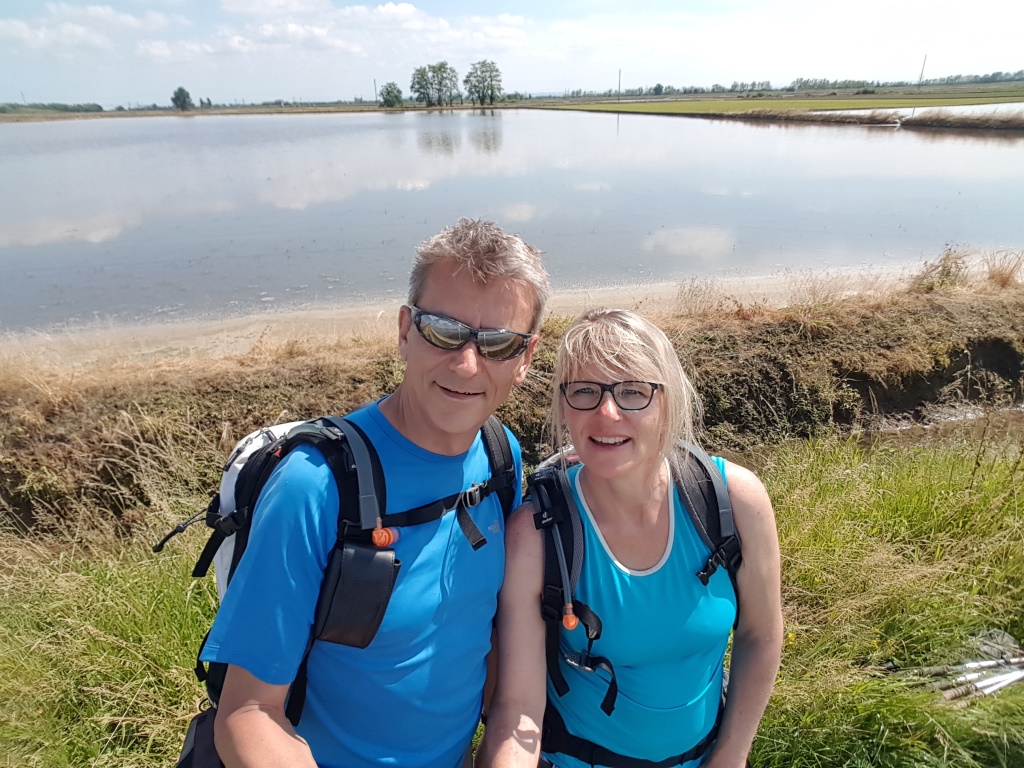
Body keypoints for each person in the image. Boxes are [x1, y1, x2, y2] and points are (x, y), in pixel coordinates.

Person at [201, 218, 550, 768]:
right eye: (444, 331)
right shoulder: (314, 486)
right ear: (406, 331)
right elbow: (247, 714)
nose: (467, 364)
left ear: (526, 358)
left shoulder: (500, 456)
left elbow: (485, 638)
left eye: (498, 344)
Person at [478, 308, 783, 768]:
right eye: (584, 391)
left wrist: (732, 754)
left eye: (633, 392)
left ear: (668, 402)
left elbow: (761, 636)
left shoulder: (733, 501)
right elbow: (518, 709)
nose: (607, 412)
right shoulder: (536, 535)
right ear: (563, 406)